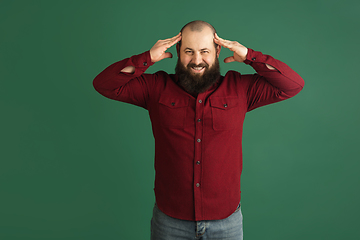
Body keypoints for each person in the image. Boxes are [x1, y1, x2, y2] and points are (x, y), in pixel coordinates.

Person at [93, 20, 304, 240]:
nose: (197, 60)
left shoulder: (240, 89)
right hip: (170, 222)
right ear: (177, 50)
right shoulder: (155, 88)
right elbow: (104, 84)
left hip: (226, 222)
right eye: (188, 51)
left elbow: (292, 84)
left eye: (204, 51)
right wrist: (147, 58)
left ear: (217, 50)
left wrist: (251, 56)